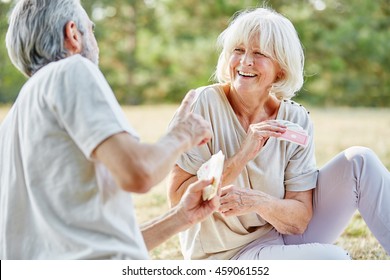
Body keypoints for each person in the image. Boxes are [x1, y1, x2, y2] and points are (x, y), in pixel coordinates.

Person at [0, 0, 219, 260]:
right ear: (72, 35)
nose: (96, 42)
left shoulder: (10, 125)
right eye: (91, 30)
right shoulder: (72, 69)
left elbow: (85, 248)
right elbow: (138, 173)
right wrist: (184, 133)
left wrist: (180, 218)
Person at [168, 7, 390, 260]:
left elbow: (299, 220)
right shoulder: (203, 105)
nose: (245, 61)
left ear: (281, 70)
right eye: (238, 50)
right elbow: (177, 201)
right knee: (333, 260)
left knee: (360, 161)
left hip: (281, 235)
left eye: (259, 53)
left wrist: (257, 202)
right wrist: (242, 155)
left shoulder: (296, 118)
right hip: (226, 256)